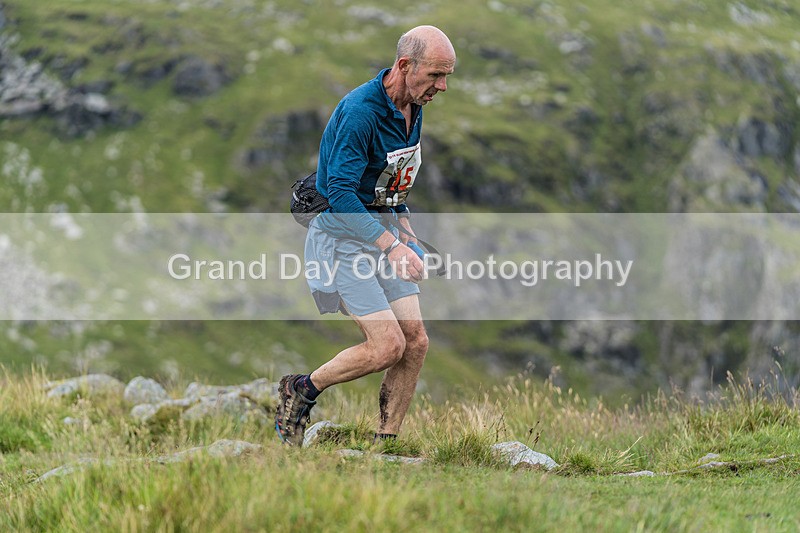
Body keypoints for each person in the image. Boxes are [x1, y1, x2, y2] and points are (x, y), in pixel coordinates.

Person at [275, 25, 456, 446]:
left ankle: (385, 442)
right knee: (387, 345)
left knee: (416, 342)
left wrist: (406, 234)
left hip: (382, 233)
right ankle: (300, 390)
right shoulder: (360, 111)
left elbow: (391, 183)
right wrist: (390, 246)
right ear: (404, 65)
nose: (442, 87)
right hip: (341, 239)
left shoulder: (413, 106)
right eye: (435, 75)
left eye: (447, 76)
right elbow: (338, 192)